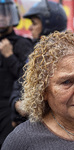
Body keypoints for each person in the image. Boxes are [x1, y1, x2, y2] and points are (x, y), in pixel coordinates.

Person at [9, 0, 67, 127]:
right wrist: (16, 104)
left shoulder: (64, 56)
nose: (30, 27)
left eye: (34, 23)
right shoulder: (34, 52)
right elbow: (19, 83)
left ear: (48, 24)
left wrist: (27, 106)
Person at [0, 0, 33, 147]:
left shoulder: (22, 44)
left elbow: (27, 77)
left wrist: (9, 57)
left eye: (5, 14)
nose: (1, 18)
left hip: (8, 107)